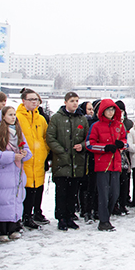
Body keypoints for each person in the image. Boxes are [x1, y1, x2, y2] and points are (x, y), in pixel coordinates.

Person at [0, 106, 32, 242]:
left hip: (16, 173)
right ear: (3, 117)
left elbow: (27, 150)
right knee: (1, 200)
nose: (13, 117)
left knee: (14, 199)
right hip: (2, 173)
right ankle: (1, 229)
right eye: (10, 115)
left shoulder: (18, 133)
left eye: (14, 115)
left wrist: (24, 154)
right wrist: (12, 156)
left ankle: (13, 227)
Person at [46, 92, 89, 231]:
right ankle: (61, 218)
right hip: (62, 161)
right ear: (65, 102)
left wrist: (81, 146)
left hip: (77, 162)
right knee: (61, 192)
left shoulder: (82, 119)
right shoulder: (57, 118)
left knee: (73, 192)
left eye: (77, 100)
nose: (75, 103)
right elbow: (50, 138)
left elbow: (87, 138)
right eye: (72, 101)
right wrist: (62, 151)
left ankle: (70, 216)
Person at [87, 99, 127, 231]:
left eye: (113, 110)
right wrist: (104, 148)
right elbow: (90, 144)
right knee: (103, 193)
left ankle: (106, 215)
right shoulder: (96, 126)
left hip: (116, 164)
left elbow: (124, 141)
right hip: (102, 164)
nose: (111, 112)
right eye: (108, 110)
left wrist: (122, 145)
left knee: (114, 193)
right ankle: (104, 220)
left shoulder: (119, 126)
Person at [16, 89, 50, 229]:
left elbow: (45, 138)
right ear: (23, 101)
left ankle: (32, 215)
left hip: (38, 160)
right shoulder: (17, 117)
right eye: (31, 99)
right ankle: (22, 216)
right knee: (25, 190)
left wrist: (44, 152)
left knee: (37, 189)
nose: (34, 102)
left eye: (36, 99)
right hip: (24, 160)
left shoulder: (41, 119)